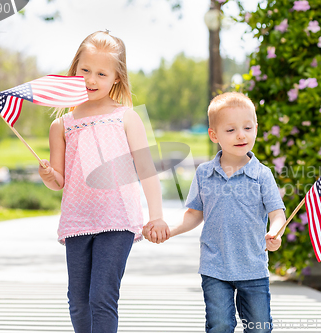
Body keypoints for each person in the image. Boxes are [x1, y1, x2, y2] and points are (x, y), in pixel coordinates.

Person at [38, 31, 170, 333]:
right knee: (77, 299)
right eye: (85, 70)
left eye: (101, 73)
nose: (91, 79)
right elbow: (58, 181)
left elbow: (146, 169)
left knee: (102, 296)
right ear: (74, 70)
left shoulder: (126, 118)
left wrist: (157, 215)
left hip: (118, 219)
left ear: (116, 79)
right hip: (77, 220)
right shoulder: (61, 125)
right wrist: (48, 175)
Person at [144, 92, 287, 333]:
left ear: (256, 129)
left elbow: (277, 213)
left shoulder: (262, 175)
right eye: (230, 130)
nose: (241, 135)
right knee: (219, 325)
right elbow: (194, 214)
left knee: (259, 328)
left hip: (253, 267)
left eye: (247, 127)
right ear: (214, 135)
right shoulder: (204, 174)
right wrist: (171, 230)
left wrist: (274, 233)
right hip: (215, 267)